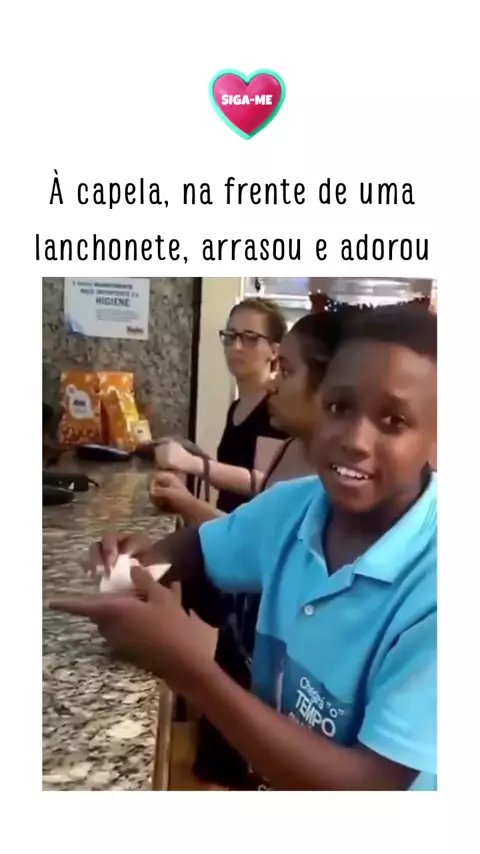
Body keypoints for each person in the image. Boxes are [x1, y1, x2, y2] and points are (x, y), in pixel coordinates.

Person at [51, 305, 437, 791]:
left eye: (394, 420)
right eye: (340, 407)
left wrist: (185, 665)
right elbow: (199, 546)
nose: (356, 440)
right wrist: (135, 569)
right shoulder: (297, 506)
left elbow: (372, 787)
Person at [149, 310, 345, 786]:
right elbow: (248, 526)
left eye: (286, 368)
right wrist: (145, 561)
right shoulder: (294, 465)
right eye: (230, 336)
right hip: (247, 642)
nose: (275, 380)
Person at [155, 297, 288, 512]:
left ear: (274, 351)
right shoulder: (237, 407)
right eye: (231, 336)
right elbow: (232, 473)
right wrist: (189, 452)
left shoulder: (275, 407)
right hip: (226, 523)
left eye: (250, 338)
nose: (236, 346)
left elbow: (265, 482)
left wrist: (192, 463)